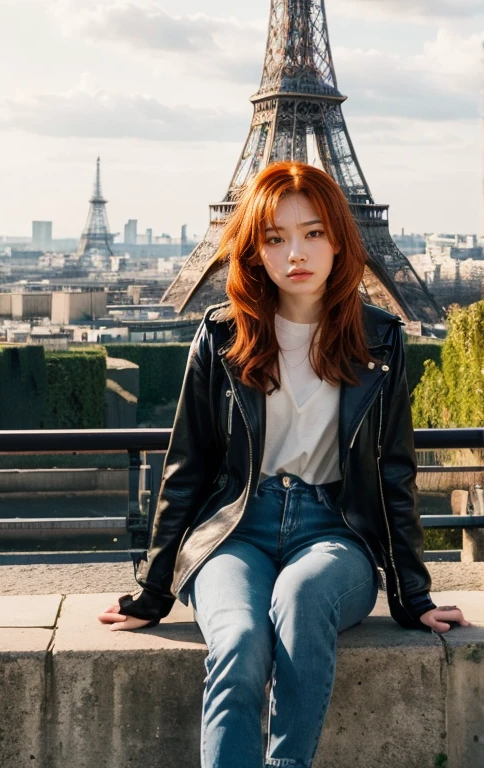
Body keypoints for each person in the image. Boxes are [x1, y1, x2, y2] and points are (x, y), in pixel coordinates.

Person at [98, 161, 470, 767]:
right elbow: (186, 468)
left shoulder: (381, 338)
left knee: (301, 602)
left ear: (341, 240)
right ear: (255, 251)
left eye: (314, 232)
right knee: (240, 640)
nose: (296, 251)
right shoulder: (221, 334)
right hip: (235, 529)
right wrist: (152, 590)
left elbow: (393, 474)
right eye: (275, 237)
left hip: (333, 529)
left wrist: (413, 594)